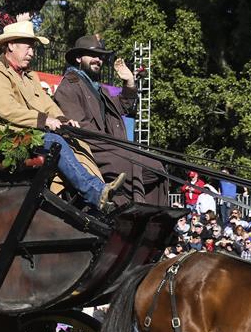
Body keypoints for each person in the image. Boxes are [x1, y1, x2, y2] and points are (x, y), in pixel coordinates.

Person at [0, 21, 124, 213]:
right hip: (8, 136)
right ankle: (95, 194)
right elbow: (7, 110)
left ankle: (96, 193)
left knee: (74, 138)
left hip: (31, 133)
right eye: (28, 46)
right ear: (11, 45)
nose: (32, 52)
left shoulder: (30, 76)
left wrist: (63, 120)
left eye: (33, 47)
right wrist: (44, 120)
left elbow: (47, 104)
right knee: (55, 141)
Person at [53, 35, 169, 206]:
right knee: (127, 159)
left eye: (100, 57)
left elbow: (123, 107)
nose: (98, 60)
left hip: (109, 146)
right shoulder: (69, 85)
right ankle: (132, 216)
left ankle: (155, 223)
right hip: (89, 148)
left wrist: (129, 83)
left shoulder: (99, 89)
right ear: (78, 58)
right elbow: (79, 128)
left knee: (157, 167)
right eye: (92, 55)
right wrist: (114, 144)